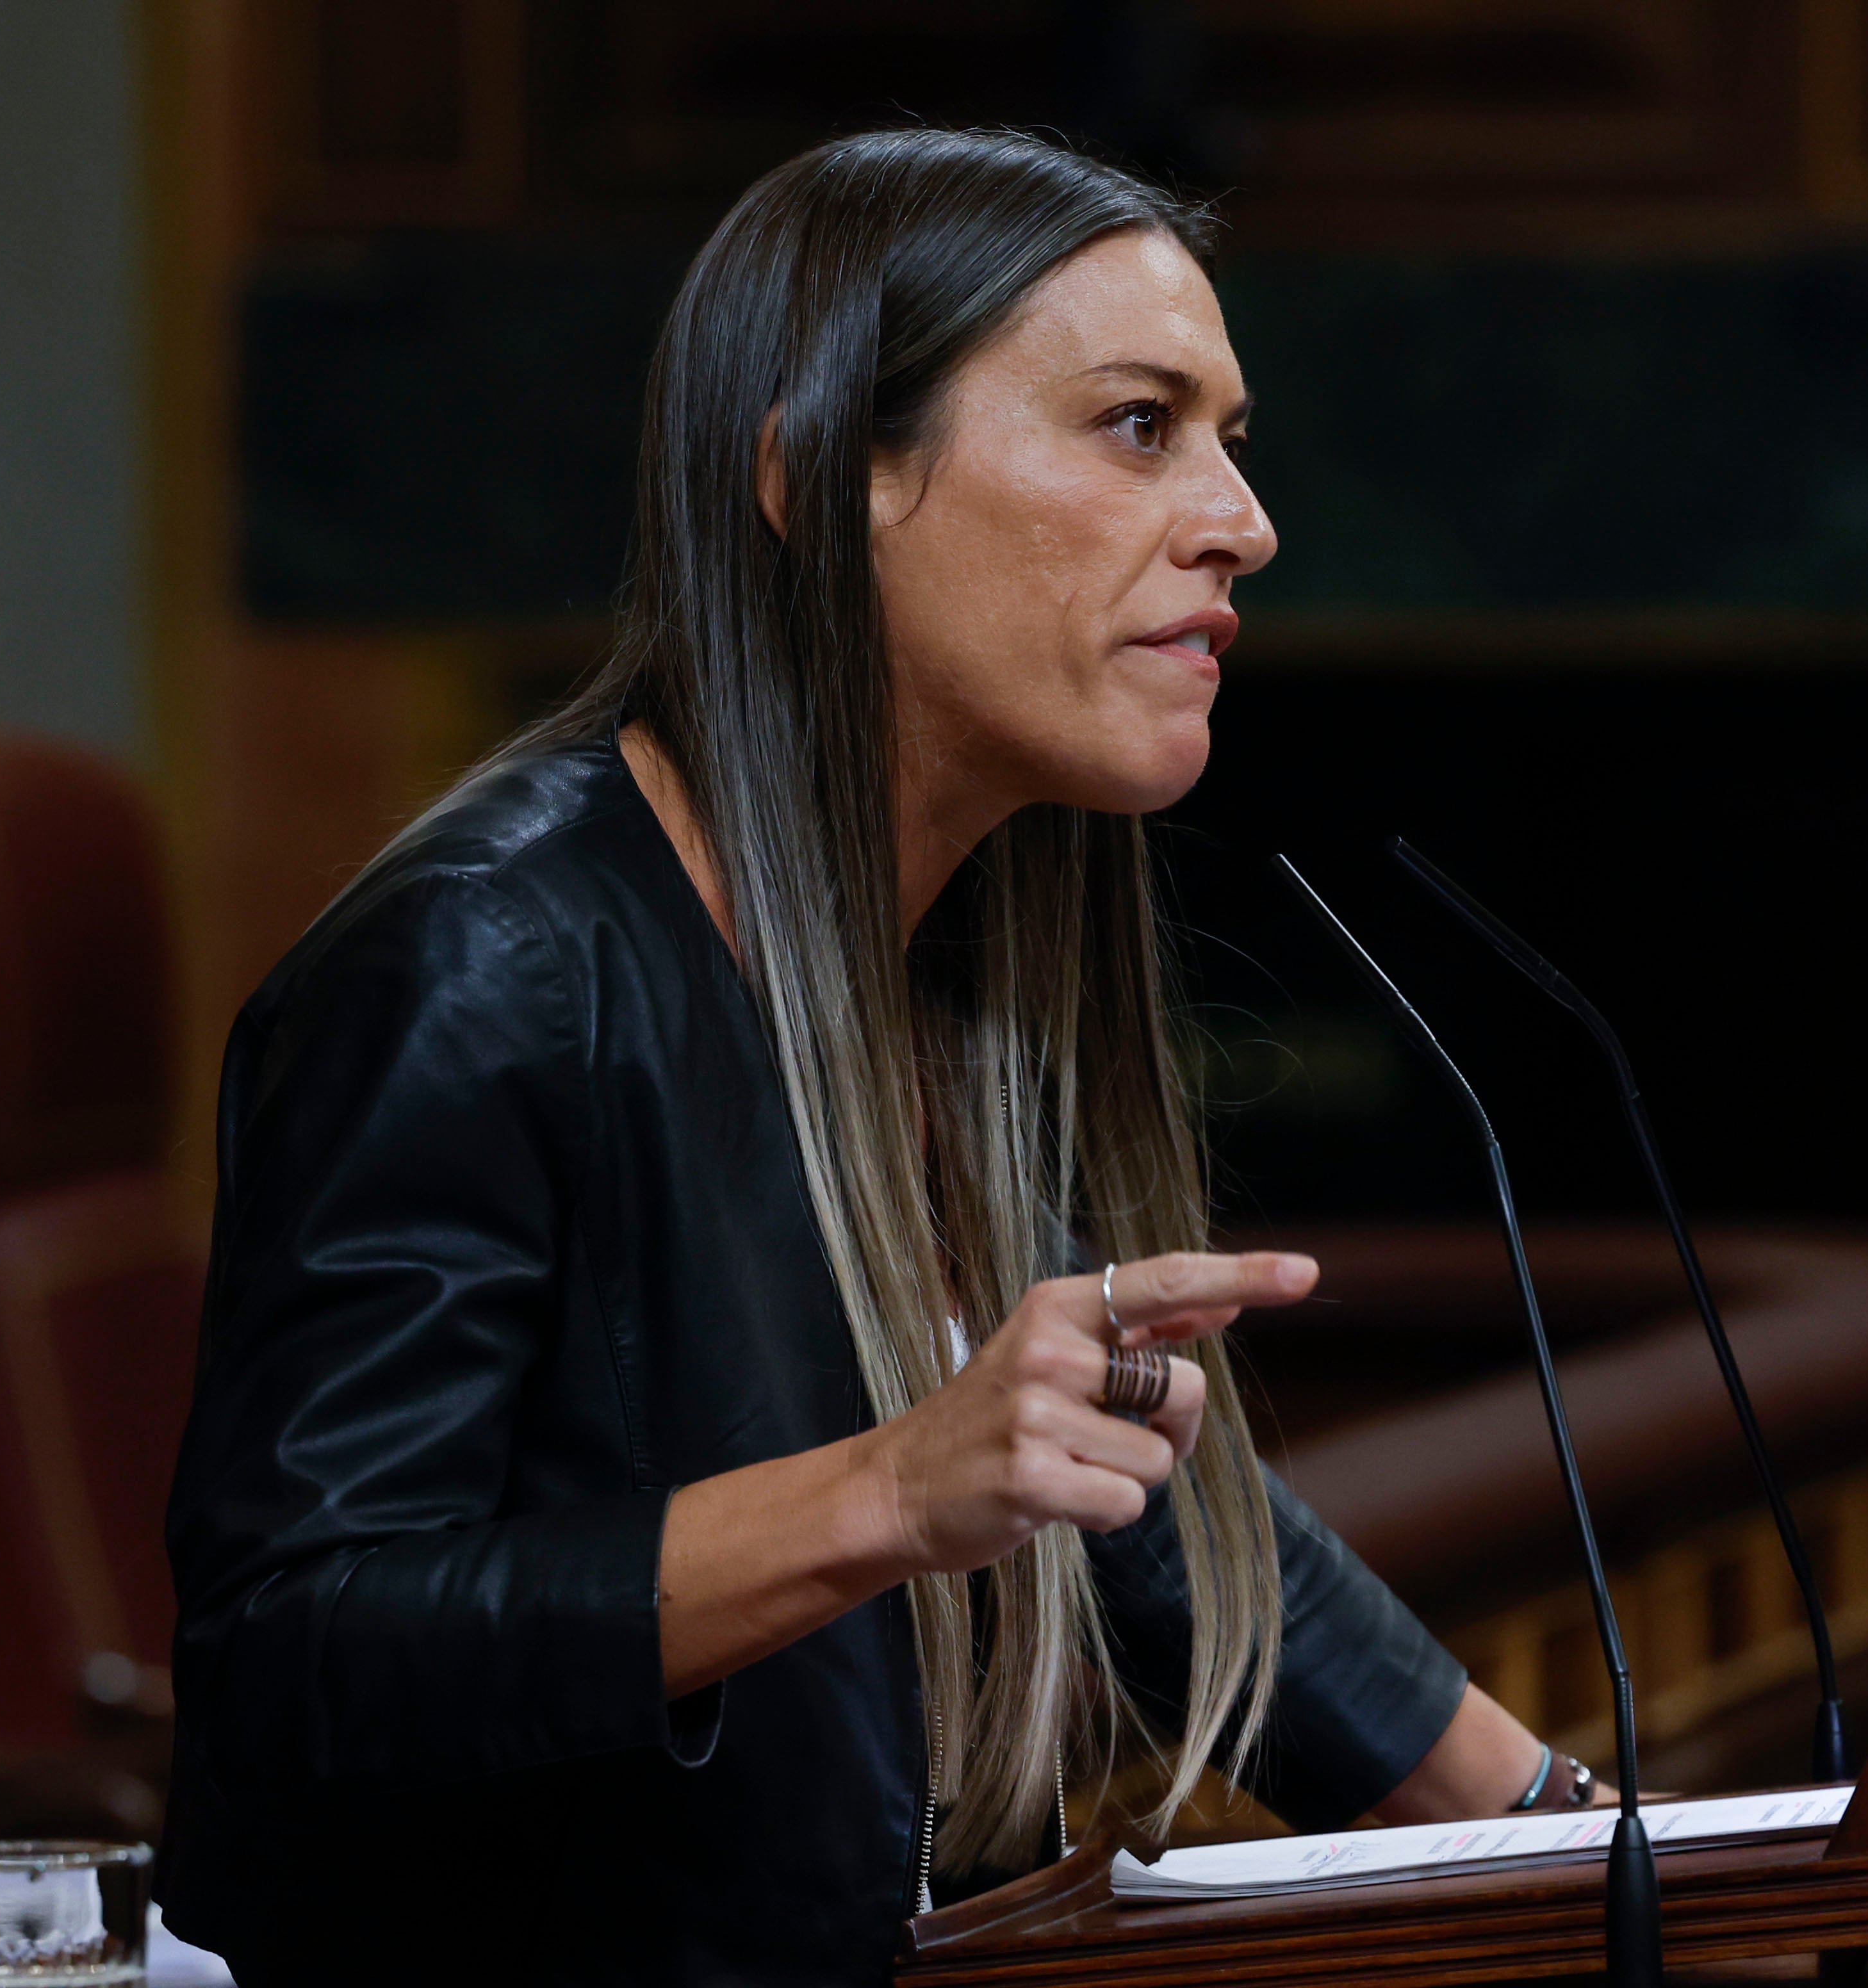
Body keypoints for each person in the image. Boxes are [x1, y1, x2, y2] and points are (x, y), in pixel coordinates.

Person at [160, 129, 1602, 1985]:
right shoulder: (485, 958)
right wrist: (890, 1493)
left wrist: (1595, 1846)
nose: (1241, 517)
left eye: (1233, 437)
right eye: (1141, 424)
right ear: (825, 478)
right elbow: (295, 1653)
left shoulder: (976, 944)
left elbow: (1130, 1513)